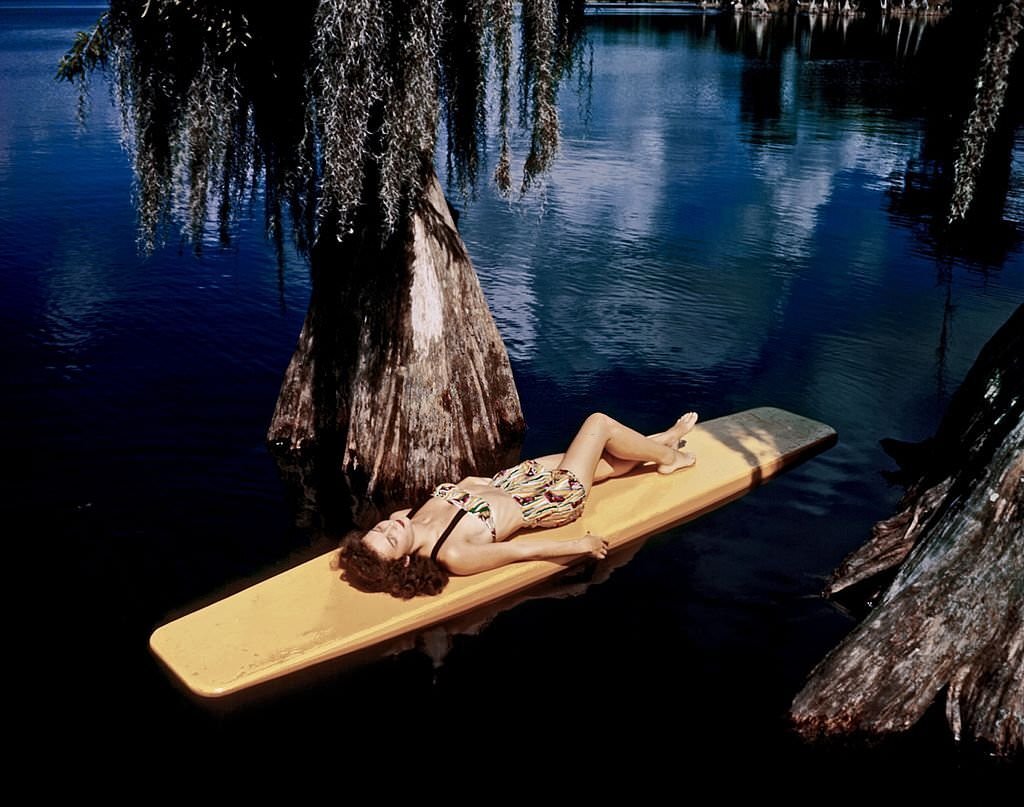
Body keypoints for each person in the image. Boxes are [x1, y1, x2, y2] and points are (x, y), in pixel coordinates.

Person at [338, 411, 699, 598]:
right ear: (403, 559)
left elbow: (462, 491)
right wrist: (580, 547)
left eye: (377, 528)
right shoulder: (453, 554)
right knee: (599, 425)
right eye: (388, 539)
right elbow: (521, 552)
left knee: (605, 462)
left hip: (511, 480)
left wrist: (477, 485)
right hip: (551, 498)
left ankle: (661, 440)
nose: (388, 527)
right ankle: (669, 455)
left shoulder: (406, 516)